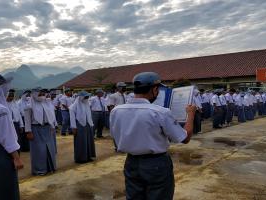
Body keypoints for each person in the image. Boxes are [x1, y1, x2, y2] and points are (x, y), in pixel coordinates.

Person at [110, 72, 196, 200]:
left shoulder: (116, 111)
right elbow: (185, 138)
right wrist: (191, 115)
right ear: (154, 89)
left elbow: (116, 138)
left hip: (131, 162)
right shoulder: (160, 112)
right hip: (156, 164)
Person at [24, 88, 57, 176]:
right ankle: (39, 169)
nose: (42, 95)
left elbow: (50, 116)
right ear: (34, 94)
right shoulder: (29, 105)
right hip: (36, 129)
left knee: (49, 148)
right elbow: (27, 120)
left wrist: (52, 126)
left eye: (43, 93)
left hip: (46, 128)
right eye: (40, 93)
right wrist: (28, 131)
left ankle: (50, 167)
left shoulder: (46, 102)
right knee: (39, 150)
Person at [70, 91, 96, 163]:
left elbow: (89, 115)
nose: (87, 98)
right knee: (80, 142)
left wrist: (91, 124)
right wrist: (74, 127)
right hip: (79, 126)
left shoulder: (87, 104)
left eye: (88, 97)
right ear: (81, 97)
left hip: (88, 125)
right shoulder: (73, 107)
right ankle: (80, 158)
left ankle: (88, 156)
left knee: (88, 141)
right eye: (86, 97)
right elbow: (72, 118)